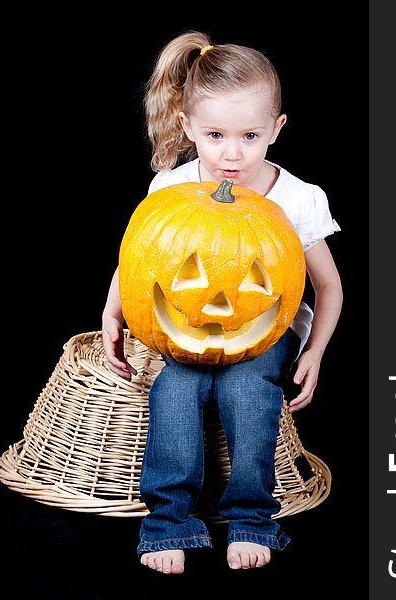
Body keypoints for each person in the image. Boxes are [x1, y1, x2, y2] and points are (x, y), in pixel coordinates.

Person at [102, 31, 343, 575]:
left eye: (250, 135)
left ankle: (252, 518)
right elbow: (139, 261)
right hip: (182, 328)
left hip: (265, 330)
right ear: (188, 128)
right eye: (214, 135)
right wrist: (112, 312)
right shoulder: (171, 187)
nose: (231, 154)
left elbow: (328, 286)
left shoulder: (296, 198)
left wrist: (316, 351)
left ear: (276, 130)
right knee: (176, 387)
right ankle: (168, 522)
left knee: (247, 388)